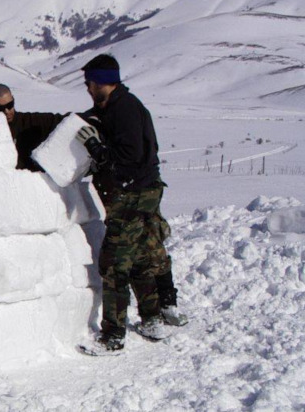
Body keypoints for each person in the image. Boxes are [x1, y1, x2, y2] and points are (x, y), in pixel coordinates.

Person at [74, 54, 187, 355]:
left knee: (113, 264)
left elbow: (129, 157)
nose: (87, 88)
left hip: (133, 193)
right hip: (143, 191)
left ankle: (112, 336)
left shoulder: (124, 109)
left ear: (101, 82)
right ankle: (151, 319)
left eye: (90, 83)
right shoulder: (118, 106)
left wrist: (97, 150)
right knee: (137, 257)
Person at [0, 84, 67, 172]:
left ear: (13, 99)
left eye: (10, 105)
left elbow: (67, 121)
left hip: (35, 183)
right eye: (0, 108)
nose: (7, 111)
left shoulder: (32, 121)